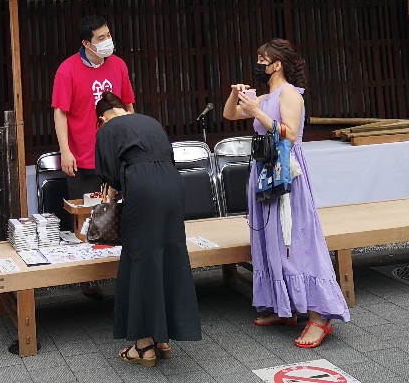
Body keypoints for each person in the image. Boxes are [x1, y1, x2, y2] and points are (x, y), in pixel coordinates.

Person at [223, 38, 349, 349]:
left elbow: (290, 134)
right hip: (265, 169)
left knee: (295, 240)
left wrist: (257, 111)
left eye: (262, 59)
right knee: (271, 239)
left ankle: (320, 316)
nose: (258, 64)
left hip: (285, 171)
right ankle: (284, 306)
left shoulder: (290, 94)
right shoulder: (265, 96)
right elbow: (230, 115)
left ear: (276, 65)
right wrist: (236, 95)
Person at [94, 93, 201, 367]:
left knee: (140, 258)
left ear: (102, 118)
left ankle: (143, 346)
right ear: (125, 108)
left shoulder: (108, 129)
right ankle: (163, 339)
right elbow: (168, 156)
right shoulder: (151, 122)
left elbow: (110, 174)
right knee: (170, 254)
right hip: (173, 186)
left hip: (143, 189)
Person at [52, 15, 135, 298]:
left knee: (122, 210)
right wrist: (65, 150)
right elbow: (60, 112)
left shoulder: (119, 65)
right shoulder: (67, 70)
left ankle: (124, 268)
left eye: (108, 35)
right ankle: (89, 277)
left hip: (118, 153)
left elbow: (129, 105)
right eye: (101, 38)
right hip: (83, 154)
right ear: (86, 43)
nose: (107, 41)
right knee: (87, 217)